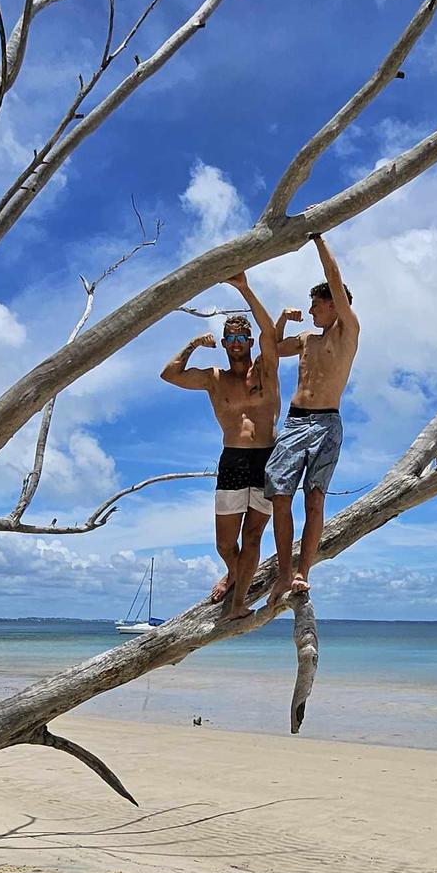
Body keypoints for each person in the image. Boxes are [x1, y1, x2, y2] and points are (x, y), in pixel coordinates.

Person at [161, 272, 279, 619]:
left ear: (250, 341)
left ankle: (239, 601)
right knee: (225, 544)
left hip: (267, 458)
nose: (237, 340)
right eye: (231, 337)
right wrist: (194, 344)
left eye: (243, 335)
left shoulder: (266, 370)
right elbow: (169, 374)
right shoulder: (214, 378)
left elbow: (270, 332)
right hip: (232, 460)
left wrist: (244, 288)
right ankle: (232, 570)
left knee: (254, 536)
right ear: (225, 343)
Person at [265, 233, 360, 603]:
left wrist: (319, 239)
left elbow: (335, 281)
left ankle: (303, 571)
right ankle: (284, 574)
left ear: (335, 305)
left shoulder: (348, 331)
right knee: (280, 497)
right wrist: (280, 321)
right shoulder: (306, 339)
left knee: (315, 499)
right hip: (295, 422)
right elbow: (271, 348)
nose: (312, 311)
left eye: (317, 305)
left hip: (327, 423)